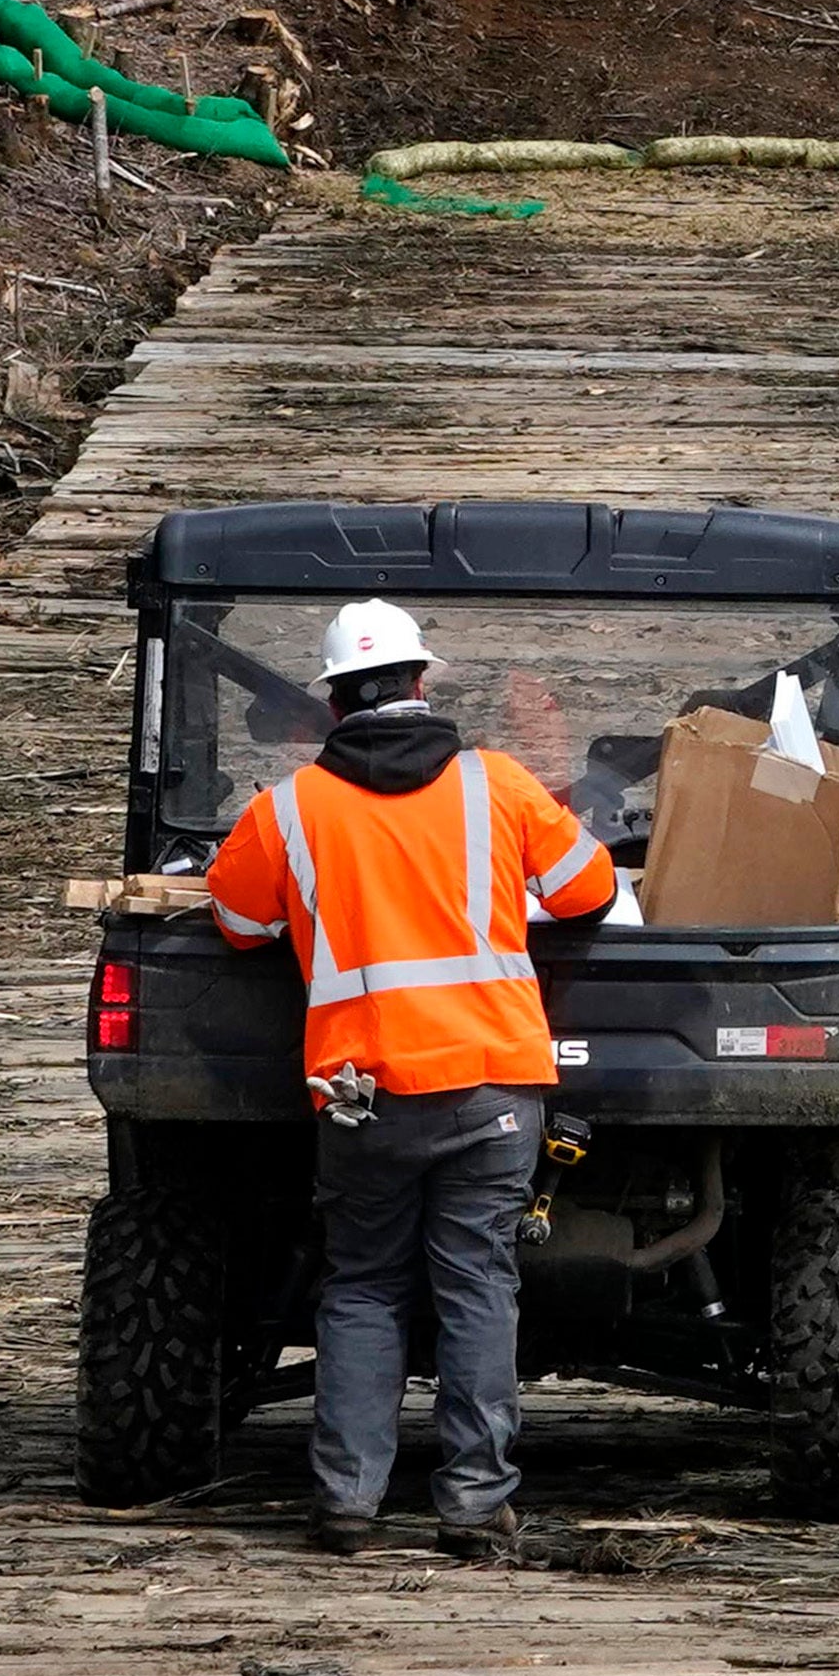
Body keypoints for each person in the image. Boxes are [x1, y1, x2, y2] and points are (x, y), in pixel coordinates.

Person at [198, 598, 617, 1557]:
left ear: (334, 701)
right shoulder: (497, 785)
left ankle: (348, 1502)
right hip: (490, 1082)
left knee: (363, 1286)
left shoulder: (289, 806)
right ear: (422, 684)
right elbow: (588, 891)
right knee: (477, 1284)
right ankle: (474, 1507)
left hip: (362, 1092)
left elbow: (235, 922)